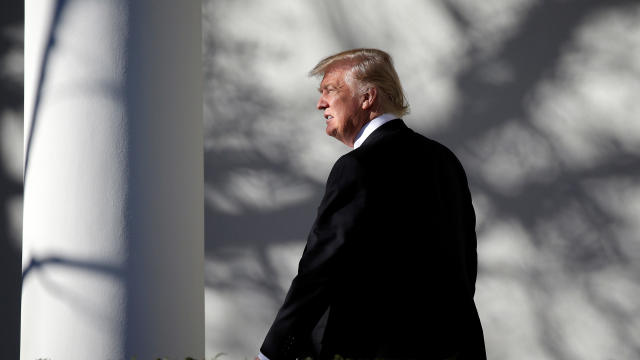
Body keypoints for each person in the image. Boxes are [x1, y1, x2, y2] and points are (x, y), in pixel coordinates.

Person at [257, 48, 486, 360]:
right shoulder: (445, 160)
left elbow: (319, 268)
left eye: (330, 90)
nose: (320, 103)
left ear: (367, 98)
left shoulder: (358, 166)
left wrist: (272, 352)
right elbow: (464, 264)